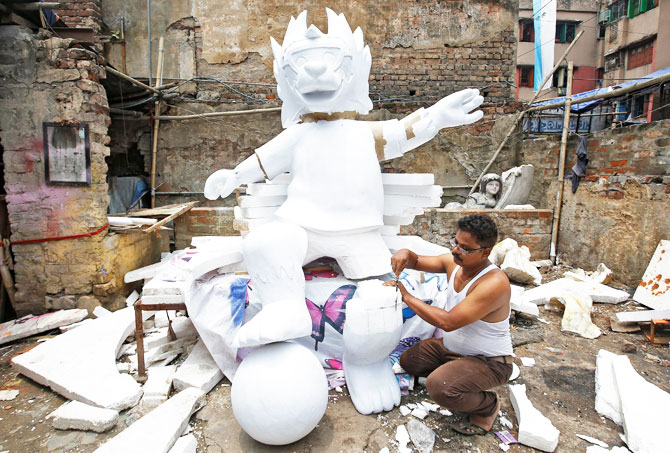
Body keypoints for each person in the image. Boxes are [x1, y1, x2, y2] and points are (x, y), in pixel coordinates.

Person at [386, 214, 513, 436]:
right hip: (453, 349)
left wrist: (407, 297)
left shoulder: (493, 283)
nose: (456, 250)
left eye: (465, 248)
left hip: (489, 361)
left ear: (485, 252)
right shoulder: (453, 263)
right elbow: (416, 261)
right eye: (455, 242)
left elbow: (448, 321)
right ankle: (458, 376)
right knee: (409, 361)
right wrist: (405, 254)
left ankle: (488, 406)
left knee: (439, 385)